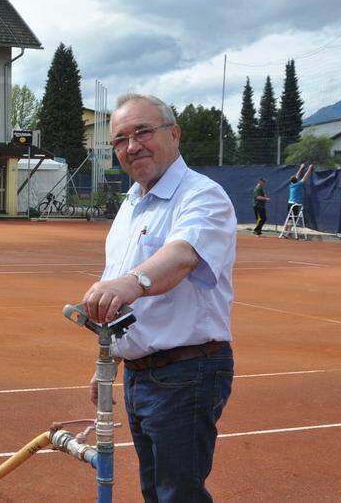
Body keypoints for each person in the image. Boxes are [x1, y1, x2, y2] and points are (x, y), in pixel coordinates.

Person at [78, 93, 236, 503]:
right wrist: (108, 360)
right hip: (140, 372)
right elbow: (116, 286)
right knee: (156, 490)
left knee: (177, 494)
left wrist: (130, 283)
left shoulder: (202, 195)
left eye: (143, 132)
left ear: (174, 134)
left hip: (187, 371)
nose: (132, 146)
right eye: (120, 140)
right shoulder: (131, 204)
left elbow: (182, 256)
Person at [284, 163, 313, 234]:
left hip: (289, 203)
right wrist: (309, 168)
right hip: (294, 204)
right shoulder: (298, 184)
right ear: (296, 180)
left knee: (289, 218)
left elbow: (297, 176)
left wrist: (301, 167)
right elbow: (305, 177)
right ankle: (287, 233)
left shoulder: (291, 185)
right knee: (292, 219)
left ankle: (285, 231)